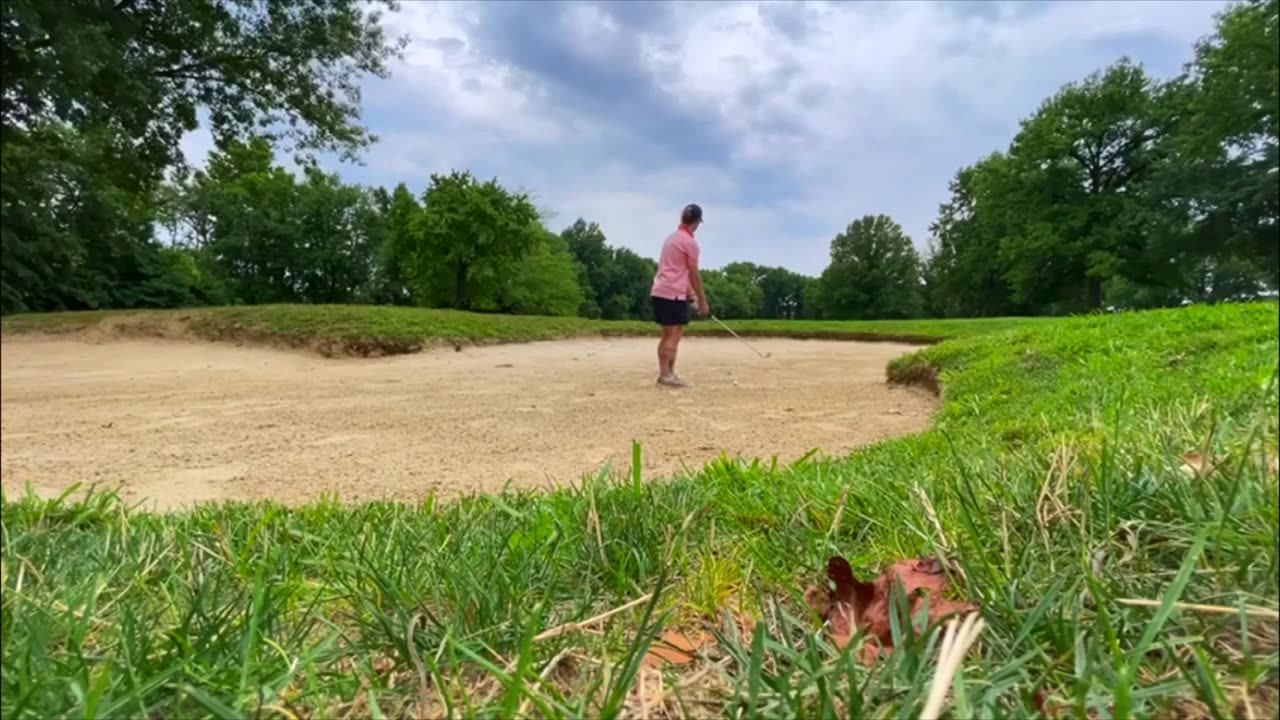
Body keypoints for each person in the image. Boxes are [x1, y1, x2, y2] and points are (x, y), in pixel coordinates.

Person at [650, 203, 710, 387]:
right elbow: (693, 273)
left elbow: (677, 270)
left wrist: (691, 295)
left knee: (670, 334)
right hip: (671, 294)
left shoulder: (672, 238)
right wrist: (702, 301)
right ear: (698, 222)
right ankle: (665, 375)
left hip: (663, 291)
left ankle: (668, 373)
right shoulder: (689, 242)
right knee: (672, 335)